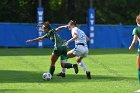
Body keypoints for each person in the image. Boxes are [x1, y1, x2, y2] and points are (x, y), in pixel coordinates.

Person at [129, 14, 140, 82]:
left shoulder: (136, 29)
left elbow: (134, 41)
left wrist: (131, 46)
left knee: (139, 68)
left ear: (137, 21)